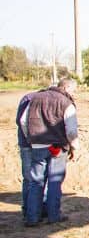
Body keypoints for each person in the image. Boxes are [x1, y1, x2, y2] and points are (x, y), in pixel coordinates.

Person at [19, 78, 79, 227]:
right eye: (73, 90)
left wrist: (31, 139)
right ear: (66, 87)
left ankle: (32, 218)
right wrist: (74, 147)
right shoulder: (66, 103)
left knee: (36, 181)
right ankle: (54, 215)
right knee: (54, 181)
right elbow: (71, 130)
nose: (74, 93)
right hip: (57, 147)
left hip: (38, 145)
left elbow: (23, 121)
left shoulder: (35, 98)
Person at [16, 91, 37, 221]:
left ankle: (31, 211)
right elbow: (22, 121)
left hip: (31, 143)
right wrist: (31, 138)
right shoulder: (31, 99)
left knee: (32, 178)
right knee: (32, 178)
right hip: (31, 144)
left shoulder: (29, 98)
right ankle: (31, 212)